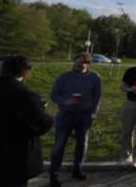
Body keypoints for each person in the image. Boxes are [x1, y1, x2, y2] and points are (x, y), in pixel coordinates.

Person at [0, 55, 53, 187]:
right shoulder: (25, 95)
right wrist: (41, 110)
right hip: (15, 158)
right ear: (25, 72)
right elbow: (41, 124)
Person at [49, 52, 102, 187]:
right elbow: (54, 94)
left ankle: (77, 169)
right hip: (65, 114)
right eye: (77, 61)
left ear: (88, 63)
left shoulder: (94, 77)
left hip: (84, 115)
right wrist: (65, 101)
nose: (79, 64)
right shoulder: (64, 77)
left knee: (82, 143)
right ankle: (54, 174)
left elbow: (97, 97)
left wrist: (93, 114)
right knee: (59, 144)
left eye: (83, 62)